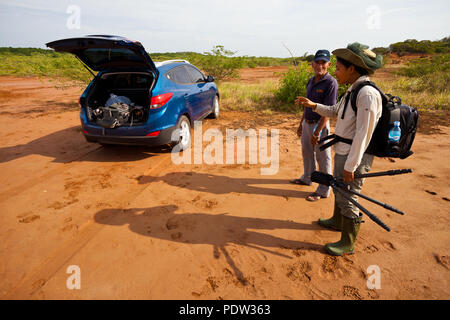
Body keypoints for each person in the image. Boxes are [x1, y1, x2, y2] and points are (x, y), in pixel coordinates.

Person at [295, 42, 383, 256]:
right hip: (343, 150)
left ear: (352, 69)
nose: (335, 71)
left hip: (354, 156)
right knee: (339, 190)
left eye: (339, 68)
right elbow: (334, 111)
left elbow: (364, 134)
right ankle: (336, 221)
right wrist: (312, 105)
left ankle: (347, 243)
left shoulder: (367, 95)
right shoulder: (354, 90)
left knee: (350, 196)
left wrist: (351, 165)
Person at [290, 50, 337, 202]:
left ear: (329, 64)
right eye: (317, 62)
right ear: (312, 64)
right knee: (307, 153)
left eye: (323, 62)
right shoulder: (311, 80)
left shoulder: (331, 83)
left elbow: (328, 111)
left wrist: (317, 132)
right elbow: (307, 104)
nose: (320, 65)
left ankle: (323, 189)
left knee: (323, 157)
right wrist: (301, 124)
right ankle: (307, 178)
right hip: (307, 122)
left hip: (320, 125)